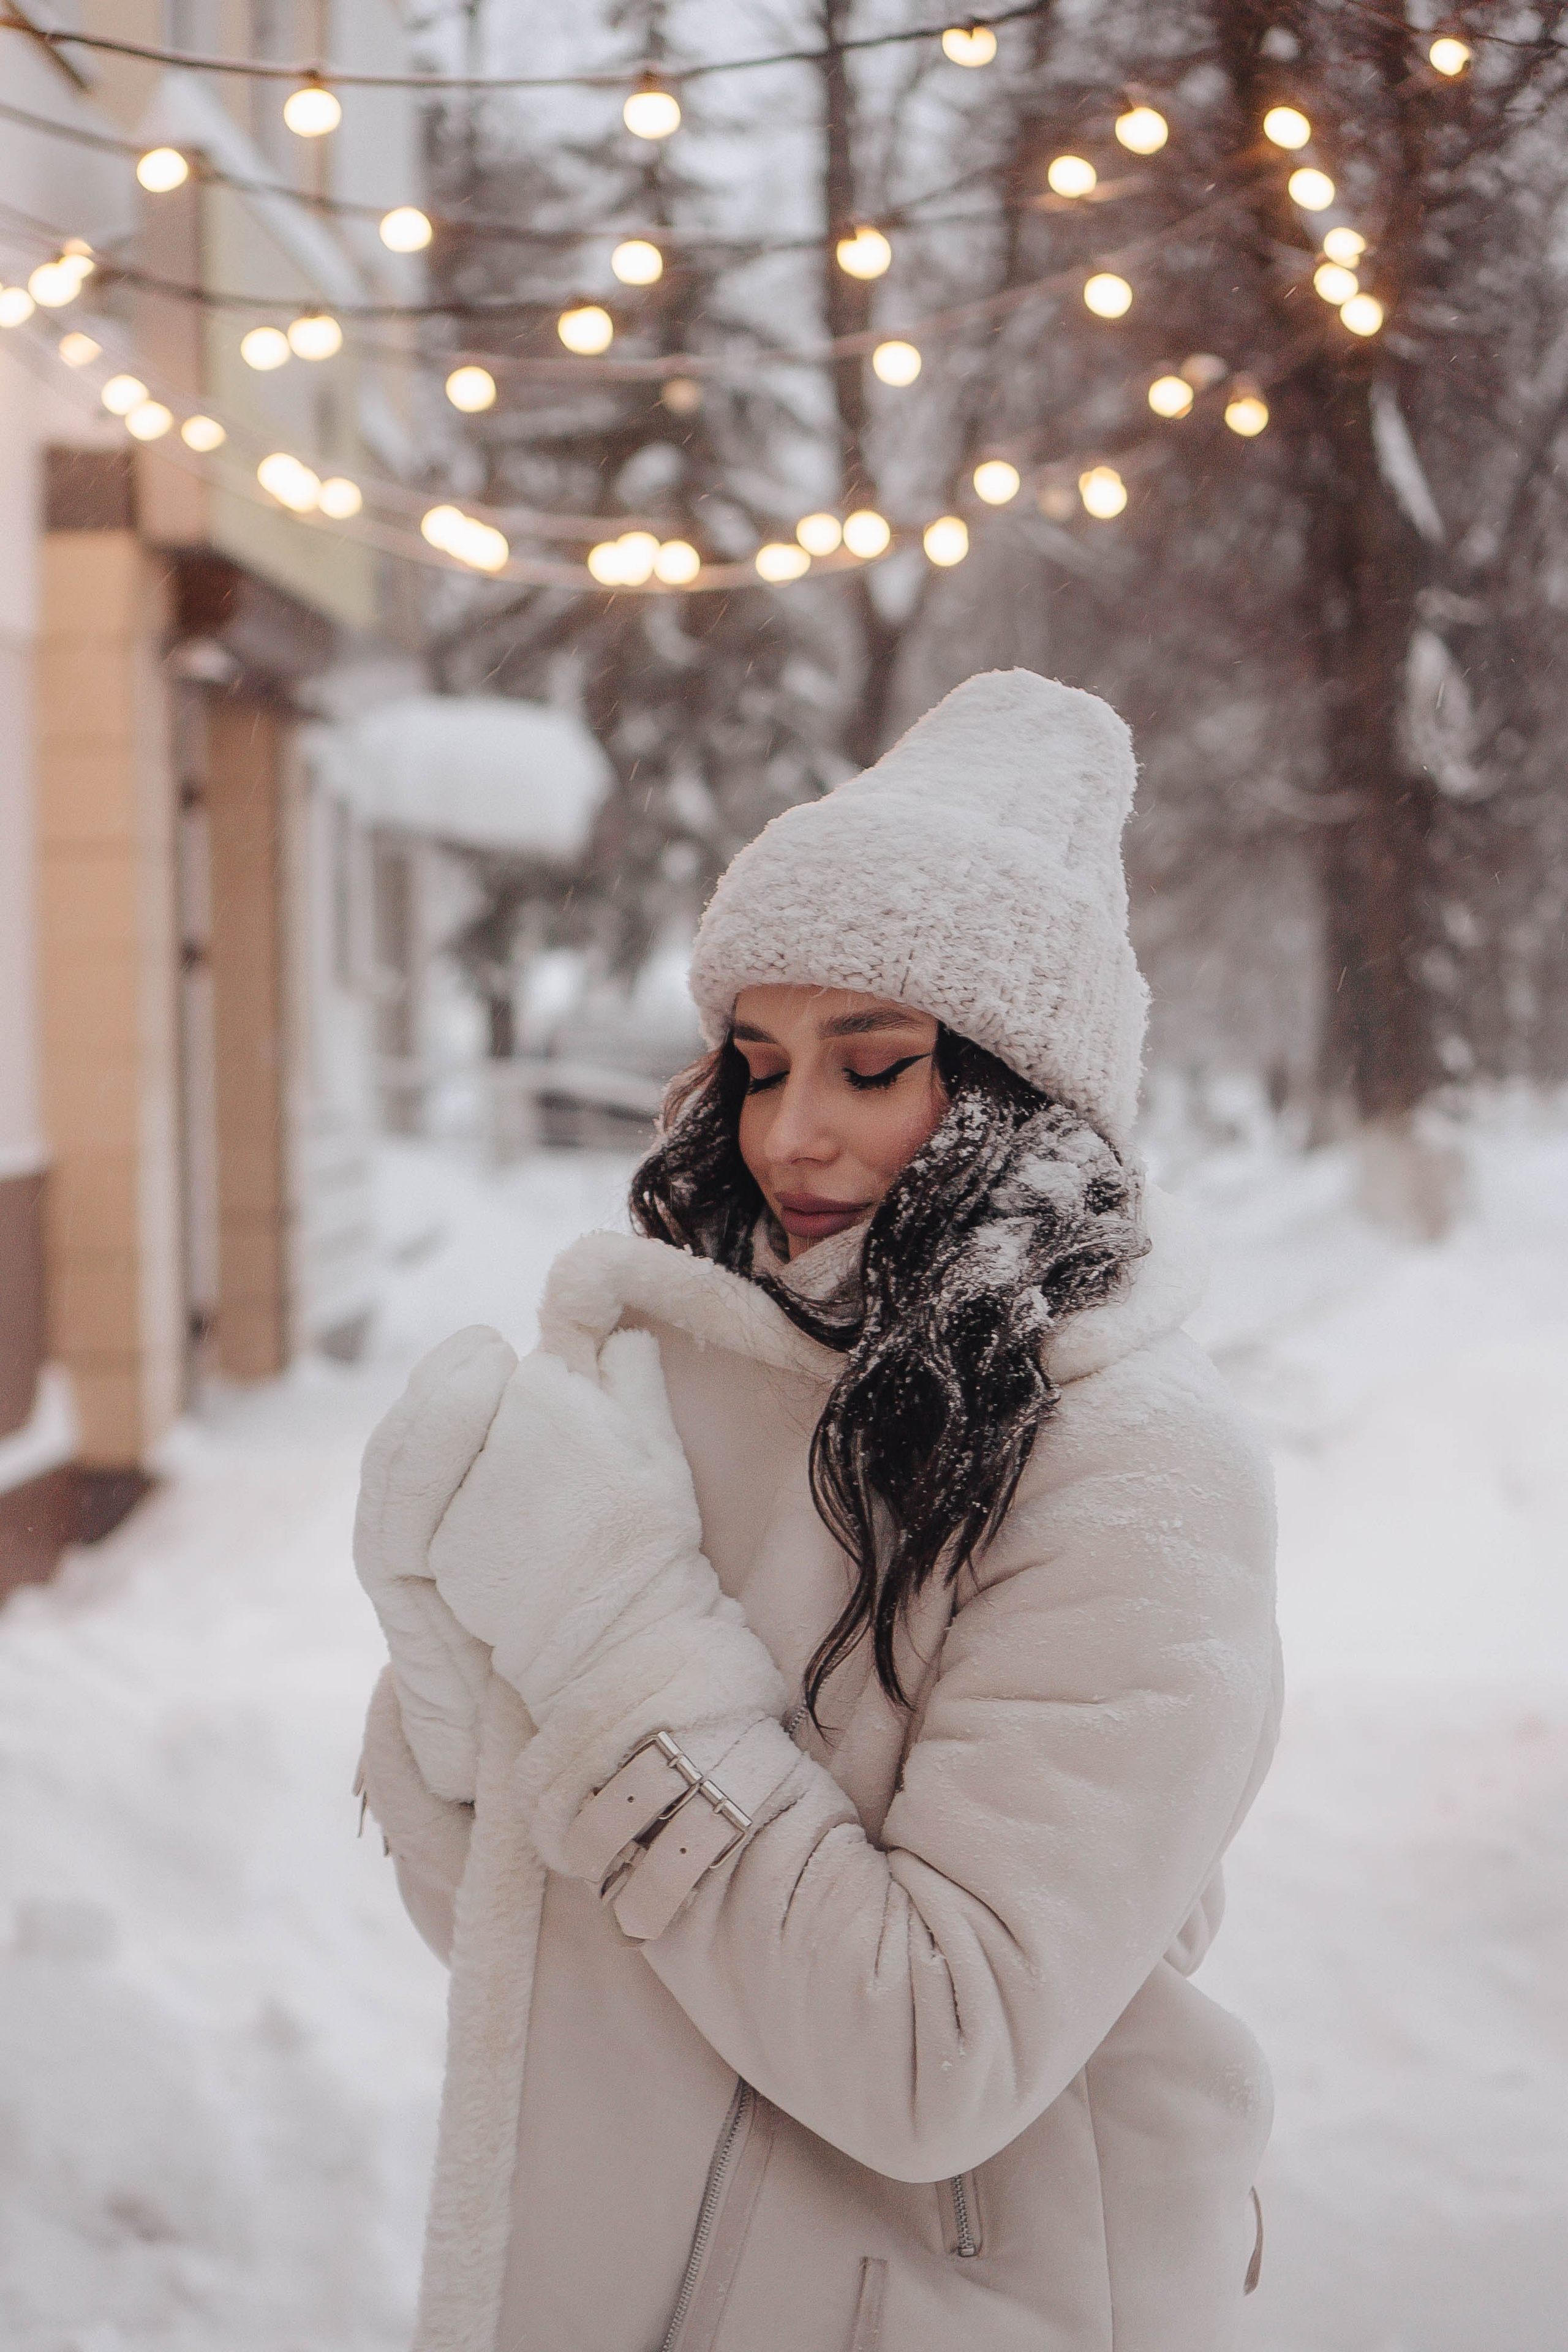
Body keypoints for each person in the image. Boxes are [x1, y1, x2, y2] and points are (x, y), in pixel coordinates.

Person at [354, 668, 1281, 2352]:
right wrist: (449, 1684)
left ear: (1016, 1089)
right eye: (759, 1061)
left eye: (874, 1067)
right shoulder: (715, 1369)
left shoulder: (1136, 1465)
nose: (793, 1134)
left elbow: (940, 2056)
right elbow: (555, 1960)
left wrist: (605, 1645)